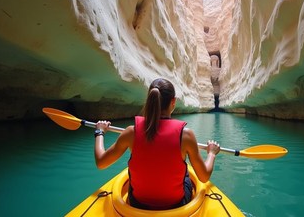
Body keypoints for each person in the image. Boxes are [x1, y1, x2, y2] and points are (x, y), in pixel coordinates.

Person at [94, 78, 221, 210]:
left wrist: (99, 131)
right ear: (173, 102)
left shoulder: (130, 132)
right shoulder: (187, 136)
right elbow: (204, 176)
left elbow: (101, 162)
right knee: (186, 172)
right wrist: (211, 153)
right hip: (176, 205)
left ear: (149, 99)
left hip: (138, 204)